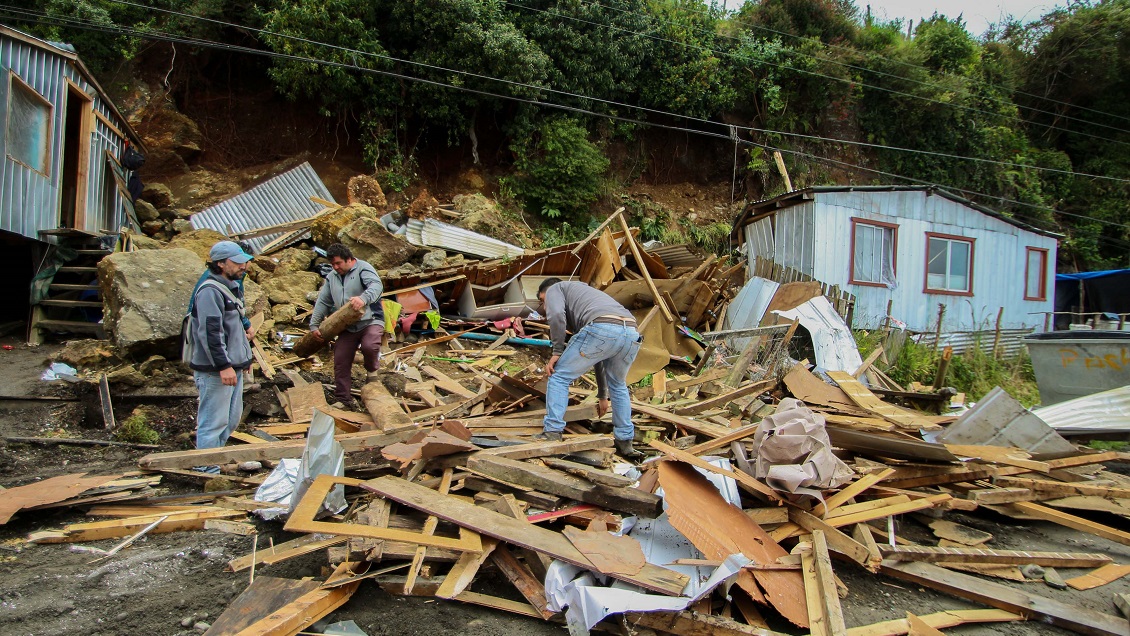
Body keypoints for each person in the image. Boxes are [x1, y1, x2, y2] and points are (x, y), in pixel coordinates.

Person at [535, 278, 643, 458]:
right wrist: (602, 395)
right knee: (618, 384)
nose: (544, 307)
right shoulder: (588, 297)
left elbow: (556, 315)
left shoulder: (556, 288)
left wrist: (557, 351)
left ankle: (552, 433)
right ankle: (625, 443)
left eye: (543, 301)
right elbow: (599, 356)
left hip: (603, 326)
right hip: (631, 332)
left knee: (559, 376)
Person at [187, 241, 255, 470]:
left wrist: (243, 358)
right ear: (221, 263)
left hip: (232, 365)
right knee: (212, 422)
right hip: (215, 369)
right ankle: (206, 469)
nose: (243, 266)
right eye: (237, 262)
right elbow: (211, 334)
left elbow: (233, 326)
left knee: (231, 419)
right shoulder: (209, 291)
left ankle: (214, 459)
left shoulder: (230, 285)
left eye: (243, 261)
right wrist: (224, 365)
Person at [310, 243, 384, 406]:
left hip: (371, 320)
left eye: (338, 263)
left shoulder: (363, 268)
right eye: (333, 264)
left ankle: (372, 372)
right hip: (347, 325)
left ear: (349, 259)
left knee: (369, 346)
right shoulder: (332, 277)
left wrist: (363, 298)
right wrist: (314, 325)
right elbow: (323, 301)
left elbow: (377, 286)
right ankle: (343, 398)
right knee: (341, 358)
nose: (335, 267)